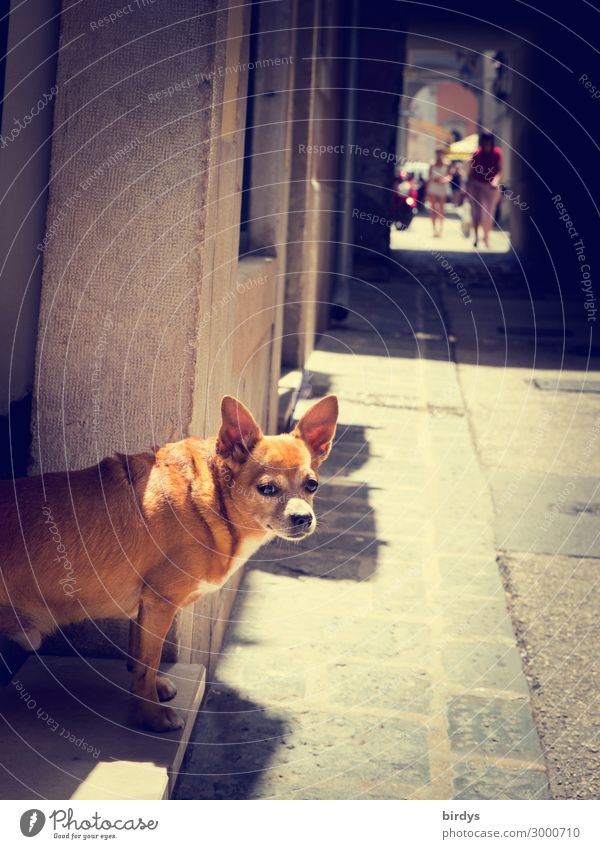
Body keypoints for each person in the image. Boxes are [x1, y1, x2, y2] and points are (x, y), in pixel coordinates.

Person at [466, 131, 502, 248]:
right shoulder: (476, 153)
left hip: (491, 187)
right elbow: (471, 172)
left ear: (492, 141)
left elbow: (499, 171)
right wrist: (467, 188)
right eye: (485, 140)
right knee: (477, 213)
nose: (487, 143)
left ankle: (486, 237)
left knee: (489, 214)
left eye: (489, 140)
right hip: (476, 185)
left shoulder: (497, 153)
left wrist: (495, 181)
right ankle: (476, 237)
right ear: (482, 141)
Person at [426, 148, 450, 237]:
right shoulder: (432, 164)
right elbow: (429, 177)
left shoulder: (447, 164)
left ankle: (440, 229)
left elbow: (449, 176)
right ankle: (434, 229)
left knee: (441, 210)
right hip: (433, 187)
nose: (439, 155)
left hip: (442, 188)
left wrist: (444, 180)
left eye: (440, 153)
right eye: (438, 153)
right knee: (433, 209)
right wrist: (426, 193)